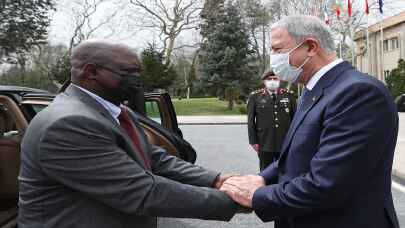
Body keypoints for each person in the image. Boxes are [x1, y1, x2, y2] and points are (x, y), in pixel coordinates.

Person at [18, 41, 238, 228]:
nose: (137, 80)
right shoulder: (68, 124)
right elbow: (141, 192)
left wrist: (216, 179)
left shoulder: (118, 111)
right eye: (128, 73)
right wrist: (236, 199)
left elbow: (154, 158)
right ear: (91, 72)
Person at [220, 15, 400, 228]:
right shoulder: (313, 89)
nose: (273, 58)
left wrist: (256, 195)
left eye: (278, 50)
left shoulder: (358, 93)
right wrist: (263, 178)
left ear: (311, 47)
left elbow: (327, 184)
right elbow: (298, 153)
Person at [247, 70, 295, 171]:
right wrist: (253, 141)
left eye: (275, 78)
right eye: (269, 79)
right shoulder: (255, 97)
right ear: (264, 81)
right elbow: (251, 121)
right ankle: (267, 187)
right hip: (264, 141)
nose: (272, 81)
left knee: (284, 169)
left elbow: (295, 119)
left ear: (279, 80)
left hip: (285, 140)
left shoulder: (289, 96)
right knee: (265, 170)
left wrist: (294, 140)